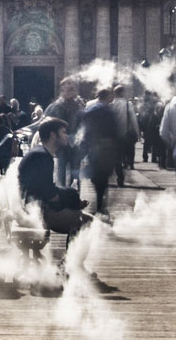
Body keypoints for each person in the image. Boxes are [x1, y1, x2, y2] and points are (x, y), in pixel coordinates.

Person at [19, 118, 89, 252]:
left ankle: (71, 264)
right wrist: (72, 197)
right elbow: (51, 197)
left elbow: (47, 190)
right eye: (63, 132)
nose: (66, 136)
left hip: (32, 205)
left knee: (80, 213)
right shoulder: (42, 157)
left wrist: (72, 199)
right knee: (86, 222)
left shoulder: (40, 153)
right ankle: (72, 266)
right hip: (37, 211)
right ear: (52, 135)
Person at [77, 86, 124, 215]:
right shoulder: (110, 112)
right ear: (108, 97)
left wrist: (83, 147)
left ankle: (98, 201)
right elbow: (116, 133)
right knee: (103, 178)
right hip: (107, 150)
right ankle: (101, 204)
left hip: (94, 148)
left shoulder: (90, 111)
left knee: (96, 176)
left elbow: (86, 131)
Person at [44, 81, 84, 186]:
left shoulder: (79, 106)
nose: (70, 91)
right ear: (62, 91)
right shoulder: (54, 106)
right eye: (67, 89)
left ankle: (74, 196)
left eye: (72, 89)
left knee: (75, 173)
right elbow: (45, 122)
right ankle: (61, 194)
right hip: (60, 144)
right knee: (60, 171)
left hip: (76, 144)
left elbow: (84, 124)